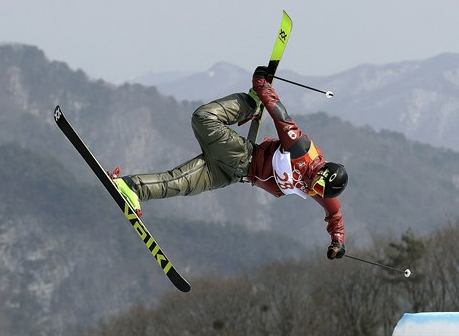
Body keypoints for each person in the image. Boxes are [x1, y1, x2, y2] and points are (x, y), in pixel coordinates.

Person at [111, 66, 348, 259]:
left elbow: (335, 215)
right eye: (316, 185)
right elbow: (280, 114)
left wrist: (337, 242)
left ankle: (130, 187)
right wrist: (261, 87)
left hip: (234, 175)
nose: (311, 190)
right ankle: (249, 104)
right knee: (203, 118)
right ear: (321, 171)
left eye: (317, 191)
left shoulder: (319, 188)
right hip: (242, 156)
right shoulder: (301, 149)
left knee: (180, 183)